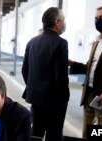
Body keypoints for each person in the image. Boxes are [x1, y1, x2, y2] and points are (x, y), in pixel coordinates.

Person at [22, 7, 69, 141]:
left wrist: (34, 88)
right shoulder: (61, 43)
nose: (64, 23)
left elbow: (25, 69)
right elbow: (60, 76)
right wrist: (64, 98)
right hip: (54, 101)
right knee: (54, 134)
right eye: (63, 20)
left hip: (35, 98)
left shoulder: (32, 42)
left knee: (35, 133)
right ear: (57, 22)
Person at [69, 6, 102, 139]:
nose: (98, 21)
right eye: (96, 18)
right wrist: (71, 63)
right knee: (87, 131)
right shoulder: (96, 42)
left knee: (100, 132)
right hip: (89, 94)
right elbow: (89, 67)